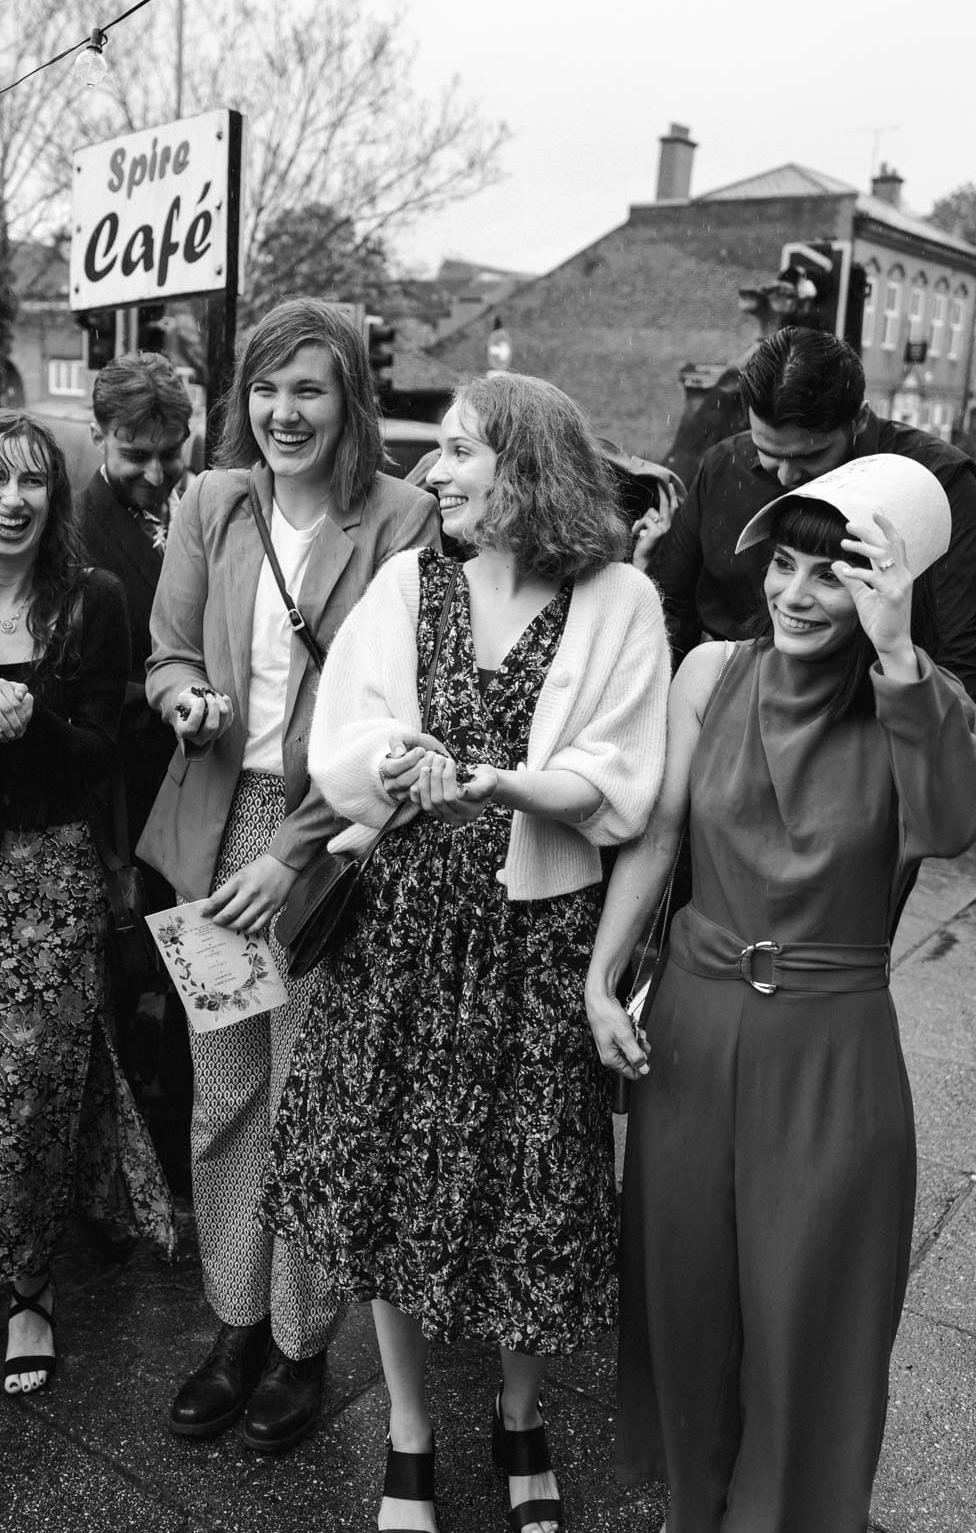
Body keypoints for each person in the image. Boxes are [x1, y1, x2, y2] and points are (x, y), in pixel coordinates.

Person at [262, 374, 671, 1533]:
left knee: (528, 1191)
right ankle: (407, 1434)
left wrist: (492, 782)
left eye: (457, 451)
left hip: (537, 940)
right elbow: (342, 738)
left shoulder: (620, 599)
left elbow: (620, 783)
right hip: (400, 930)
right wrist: (397, 765)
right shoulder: (409, 581)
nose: (433, 473)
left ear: (524, 466)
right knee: (389, 1177)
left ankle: (521, 1413)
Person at [585, 452, 976, 1533]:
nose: (796, 594)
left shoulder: (921, 706)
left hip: (830, 1044)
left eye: (833, 574)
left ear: (886, 589)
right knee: (689, 1297)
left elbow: (948, 830)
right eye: (785, 565)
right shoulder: (710, 670)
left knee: (809, 1320)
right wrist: (603, 975)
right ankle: (692, 1511)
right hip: (697, 1026)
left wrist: (897, 649)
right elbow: (661, 835)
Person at [139, 298, 439, 1455]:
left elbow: (396, 708)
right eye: (266, 389)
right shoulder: (213, 505)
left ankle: (305, 1343)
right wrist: (184, 698)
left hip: (329, 846)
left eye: (308, 388)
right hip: (214, 834)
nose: (283, 411)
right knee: (226, 1097)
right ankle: (235, 1322)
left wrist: (290, 848)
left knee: (313, 1101)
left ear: (350, 400)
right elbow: (167, 651)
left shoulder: (405, 521)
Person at [0, 409, 176, 1402]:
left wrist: (34, 721)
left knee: (44, 1088)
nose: (12, 502)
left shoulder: (91, 600)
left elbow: (102, 754)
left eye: (32, 483)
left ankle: (36, 1287)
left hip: (53, 876)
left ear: (55, 494)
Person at [636, 324, 976, 696]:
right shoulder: (723, 466)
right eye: (767, 452)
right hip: (726, 697)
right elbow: (669, 610)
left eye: (809, 456)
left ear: (859, 419)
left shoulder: (938, 482)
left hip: (870, 713)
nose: (785, 475)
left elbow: (959, 662)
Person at [79, 351, 195, 1195]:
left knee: (195, 978)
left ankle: (188, 1147)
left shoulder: (201, 507)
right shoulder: (73, 530)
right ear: (98, 438)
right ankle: (121, 1172)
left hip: (194, 788)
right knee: (119, 981)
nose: (154, 473)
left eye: (170, 451)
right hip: (114, 790)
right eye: (134, 454)